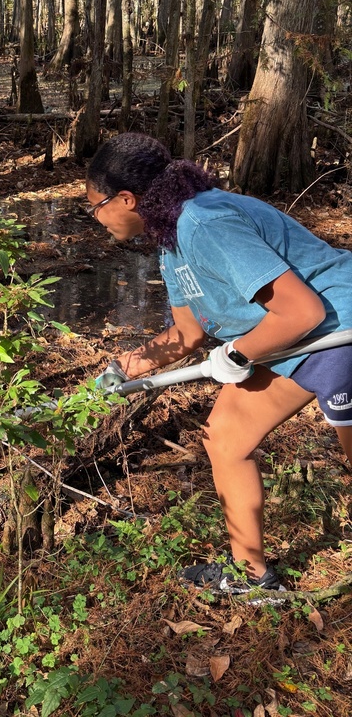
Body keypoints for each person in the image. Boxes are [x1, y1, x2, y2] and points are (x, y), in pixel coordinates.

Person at [86, 131, 352, 595]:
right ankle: (251, 577)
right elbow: (187, 334)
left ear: (126, 199)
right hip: (290, 341)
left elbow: (302, 312)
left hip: (338, 333)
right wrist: (121, 369)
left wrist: (237, 353)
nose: (95, 218)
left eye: (96, 207)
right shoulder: (170, 238)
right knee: (226, 435)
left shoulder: (203, 223)